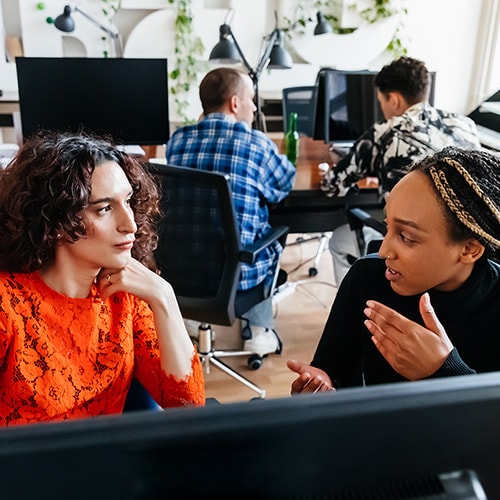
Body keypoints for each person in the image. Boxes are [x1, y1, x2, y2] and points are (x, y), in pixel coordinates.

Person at [0, 131, 205, 426]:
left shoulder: (127, 296)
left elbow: (187, 407)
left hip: (105, 465)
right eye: (105, 208)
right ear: (58, 222)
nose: (130, 224)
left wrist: (164, 298)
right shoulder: (8, 305)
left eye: (129, 202)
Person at [288, 146, 500, 393]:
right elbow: (332, 371)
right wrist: (319, 384)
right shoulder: (366, 279)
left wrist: (444, 370)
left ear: (469, 250)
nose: (384, 250)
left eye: (407, 237)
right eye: (387, 227)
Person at [166, 67, 296, 355]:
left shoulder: (178, 140)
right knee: (265, 233)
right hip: (234, 277)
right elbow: (284, 183)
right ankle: (259, 333)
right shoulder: (257, 144)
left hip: (179, 274)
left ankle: (191, 319)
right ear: (235, 103)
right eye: (251, 99)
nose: (253, 107)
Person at [320, 56, 481, 286]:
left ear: (394, 100)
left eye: (381, 102)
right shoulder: (465, 125)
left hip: (416, 246)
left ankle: (355, 305)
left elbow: (333, 185)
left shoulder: (387, 132)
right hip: (465, 253)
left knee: (338, 240)